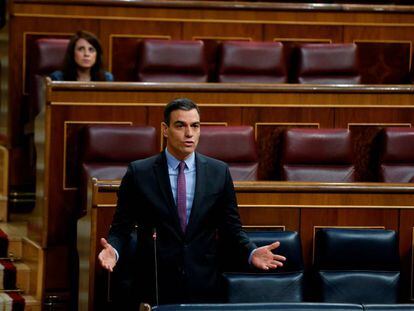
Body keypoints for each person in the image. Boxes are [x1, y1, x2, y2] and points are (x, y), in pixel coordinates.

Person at [98, 98, 286, 308]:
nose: (189, 133)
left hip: (203, 283)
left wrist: (251, 252)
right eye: (180, 125)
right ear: (165, 129)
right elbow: (121, 228)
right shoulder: (139, 173)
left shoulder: (218, 172)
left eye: (195, 126)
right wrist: (113, 251)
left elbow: (231, 228)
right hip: (155, 284)